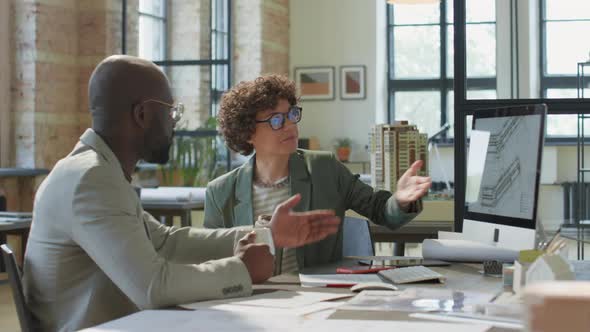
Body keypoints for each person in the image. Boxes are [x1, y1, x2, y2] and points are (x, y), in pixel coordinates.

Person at [22, 55, 340, 332]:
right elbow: (153, 287)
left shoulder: (97, 171)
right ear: (143, 114)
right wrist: (241, 269)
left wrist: (266, 234)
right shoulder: (90, 180)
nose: (174, 124)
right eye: (171, 112)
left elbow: (165, 241)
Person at [204, 74, 432, 273]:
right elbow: (214, 262)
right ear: (247, 133)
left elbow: (380, 209)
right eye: (276, 120)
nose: (290, 126)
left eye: (291, 114)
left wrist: (400, 201)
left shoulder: (324, 168)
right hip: (253, 302)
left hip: (317, 298)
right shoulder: (220, 192)